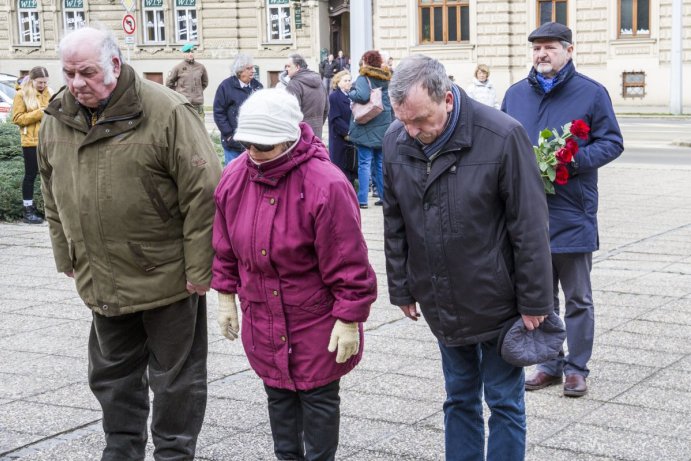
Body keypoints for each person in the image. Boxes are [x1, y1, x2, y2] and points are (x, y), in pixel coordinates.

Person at [38, 27, 222, 459]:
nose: (77, 83)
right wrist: (66, 252)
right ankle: (121, 451)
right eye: (69, 73)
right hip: (101, 275)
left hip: (167, 276)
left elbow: (205, 192)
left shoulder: (167, 111)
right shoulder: (57, 117)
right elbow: (51, 190)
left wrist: (200, 270)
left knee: (176, 379)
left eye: (86, 72)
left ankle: (174, 454)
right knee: (111, 376)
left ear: (114, 66)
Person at [383, 54, 553, 461]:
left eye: (421, 120)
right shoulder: (395, 138)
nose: (412, 131)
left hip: (499, 298)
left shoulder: (502, 135)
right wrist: (402, 287)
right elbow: (394, 219)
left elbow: (529, 226)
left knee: (504, 400)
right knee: (458, 397)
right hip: (440, 294)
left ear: (446, 97)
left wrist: (535, 302)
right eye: (404, 120)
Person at [211, 88, 376, 461]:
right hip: (264, 314)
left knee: (318, 399)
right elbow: (223, 245)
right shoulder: (234, 178)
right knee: (278, 396)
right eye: (248, 144)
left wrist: (349, 317)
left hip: (314, 318)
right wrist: (225, 296)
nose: (253, 153)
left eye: (264, 146)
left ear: (289, 138)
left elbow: (349, 261)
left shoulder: (326, 184)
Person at [502, 22, 624, 398]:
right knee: (539, 294)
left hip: (572, 210)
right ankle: (549, 363)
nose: (542, 54)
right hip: (526, 214)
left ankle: (576, 368)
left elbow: (613, 142)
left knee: (577, 297)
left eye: (550, 47)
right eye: (537, 48)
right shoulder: (516, 94)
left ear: (569, 51)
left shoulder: (591, 93)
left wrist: (570, 161)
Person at [348, 50, 392, 209]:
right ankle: (383, 196)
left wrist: (350, 92)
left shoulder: (363, 77)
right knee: (380, 163)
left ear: (365, 61)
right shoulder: (385, 78)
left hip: (366, 124)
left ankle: (362, 200)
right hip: (383, 124)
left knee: (364, 163)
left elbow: (362, 96)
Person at [12, 66, 52, 224]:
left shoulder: (50, 92)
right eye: (40, 82)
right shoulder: (21, 94)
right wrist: (40, 112)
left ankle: (49, 208)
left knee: (49, 175)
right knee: (30, 175)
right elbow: (17, 118)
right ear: (32, 80)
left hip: (49, 140)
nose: (43, 85)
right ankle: (27, 210)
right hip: (30, 141)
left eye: (45, 82)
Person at [213, 53, 263, 165]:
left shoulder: (257, 86)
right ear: (240, 71)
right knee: (234, 175)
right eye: (249, 68)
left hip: (253, 142)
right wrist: (229, 135)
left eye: (253, 68)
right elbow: (218, 113)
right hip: (233, 143)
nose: (253, 71)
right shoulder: (226, 86)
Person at [285, 53, 329, 139]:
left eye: (289, 66)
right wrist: (317, 124)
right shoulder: (319, 81)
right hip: (316, 133)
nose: (286, 69)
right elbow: (327, 108)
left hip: (300, 135)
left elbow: (291, 113)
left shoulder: (294, 84)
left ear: (297, 67)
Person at [328, 70, 356, 185]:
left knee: (351, 166)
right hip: (339, 138)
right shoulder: (334, 97)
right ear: (337, 82)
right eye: (345, 80)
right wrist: (348, 132)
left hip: (352, 137)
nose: (348, 83)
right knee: (340, 168)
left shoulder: (352, 96)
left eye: (349, 80)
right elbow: (335, 118)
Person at [166, 42, 209, 117]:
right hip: (184, 104)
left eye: (192, 51)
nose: (190, 53)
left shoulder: (200, 67)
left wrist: (198, 91)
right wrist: (179, 93)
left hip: (198, 104)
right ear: (183, 54)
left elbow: (205, 83)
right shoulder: (178, 68)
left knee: (200, 127)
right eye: (188, 52)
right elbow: (169, 83)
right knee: (185, 128)